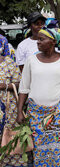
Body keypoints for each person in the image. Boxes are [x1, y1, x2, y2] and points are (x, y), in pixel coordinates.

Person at [17, 26, 60, 166]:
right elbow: (24, 88)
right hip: (36, 115)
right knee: (40, 152)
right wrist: (19, 111)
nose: (38, 42)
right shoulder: (31, 61)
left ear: (53, 42)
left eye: (41, 39)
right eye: (37, 39)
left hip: (59, 113)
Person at [0, 35, 23, 166]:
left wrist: (5, 86)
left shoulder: (9, 62)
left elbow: (20, 83)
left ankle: (13, 162)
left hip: (9, 107)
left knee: (10, 136)